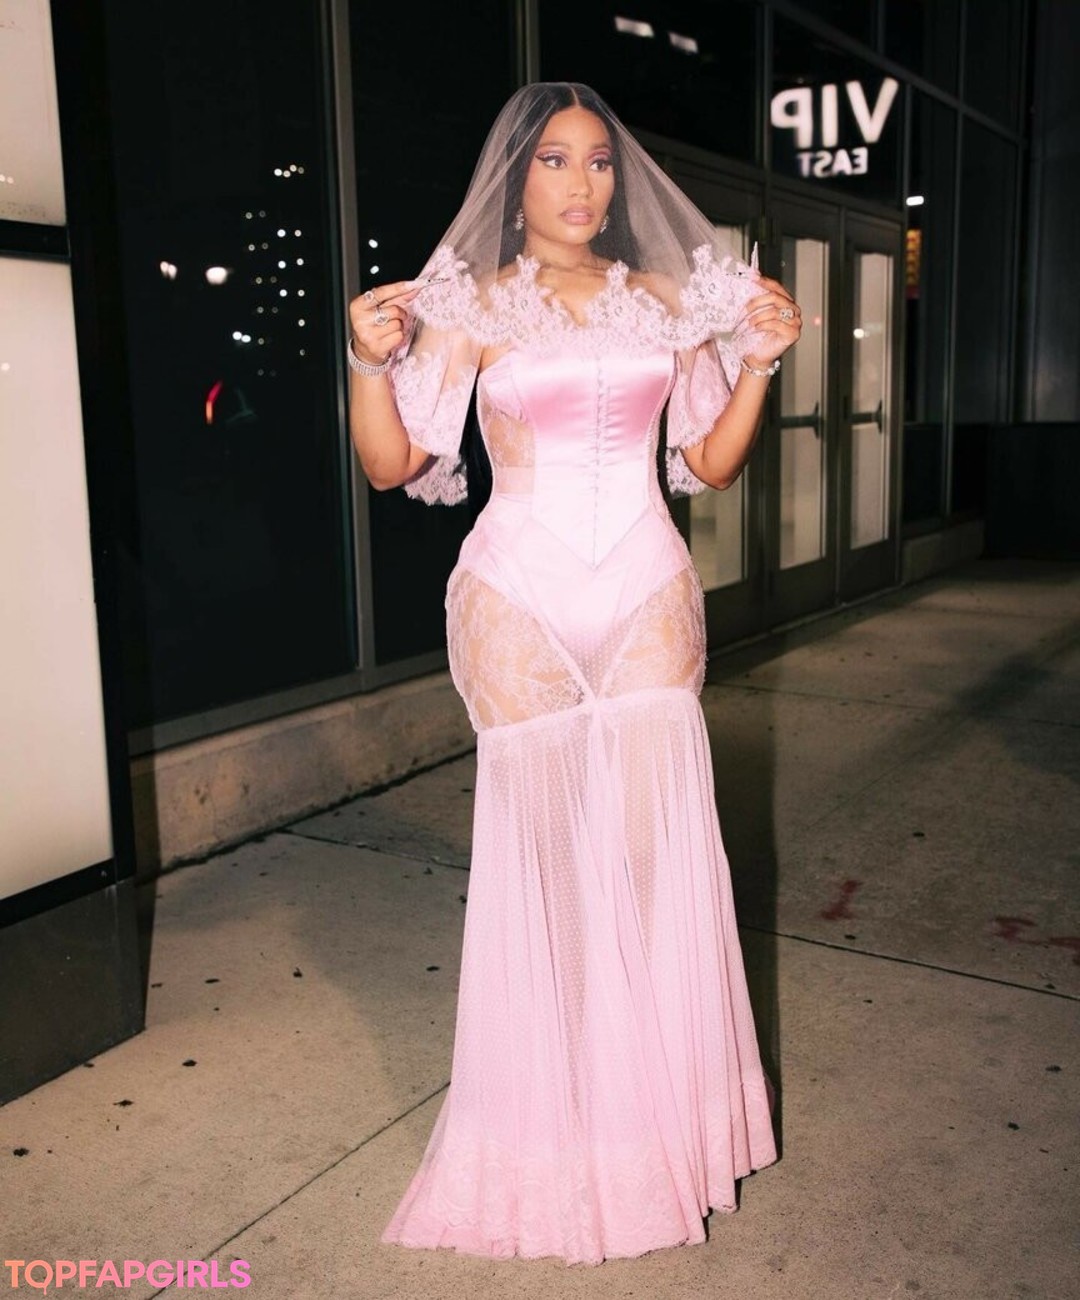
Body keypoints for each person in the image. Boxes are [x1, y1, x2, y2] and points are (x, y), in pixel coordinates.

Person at [347, 82, 801, 1266]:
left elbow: (710, 459)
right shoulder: (469, 305)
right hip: (518, 600)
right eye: (555, 160)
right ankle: (556, 1135)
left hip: (649, 592)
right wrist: (362, 361)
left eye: (598, 161)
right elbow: (392, 463)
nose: (582, 182)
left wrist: (757, 364)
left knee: (651, 859)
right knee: (546, 864)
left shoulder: (666, 302)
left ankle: (656, 1124)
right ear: (516, 181)